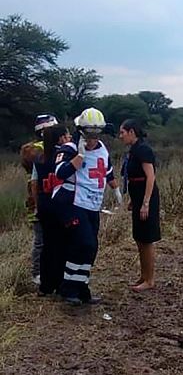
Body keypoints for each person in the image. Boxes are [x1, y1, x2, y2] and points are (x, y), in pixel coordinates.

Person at [53, 107, 123, 306]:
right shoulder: (69, 149)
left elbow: (107, 171)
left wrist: (116, 191)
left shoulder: (102, 148)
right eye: (89, 134)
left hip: (93, 204)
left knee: (91, 249)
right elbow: (60, 173)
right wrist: (80, 157)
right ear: (81, 131)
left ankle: (82, 287)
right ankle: (68, 288)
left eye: (96, 134)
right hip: (73, 204)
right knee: (83, 244)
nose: (92, 139)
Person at [119, 119, 160, 292]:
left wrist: (145, 203)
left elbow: (150, 177)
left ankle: (150, 280)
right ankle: (143, 275)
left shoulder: (143, 149)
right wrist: (133, 200)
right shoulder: (133, 150)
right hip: (137, 197)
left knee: (146, 239)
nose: (120, 136)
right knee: (139, 238)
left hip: (146, 198)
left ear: (132, 132)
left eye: (123, 132)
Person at [31, 124, 72, 296]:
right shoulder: (63, 156)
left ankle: (45, 285)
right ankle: (61, 283)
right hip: (60, 205)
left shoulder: (39, 158)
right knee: (63, 245)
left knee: (47, 245)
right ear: (61, 138)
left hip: (44, 204)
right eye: (67, 135)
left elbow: (34, 182)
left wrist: (37, 203)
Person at [20, 113, 59, 286]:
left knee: (51, 239)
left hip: (50, 199)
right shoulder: (35, 150)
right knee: (41, 240)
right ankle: (37, 273)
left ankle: (49, 270)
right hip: (38, 201)